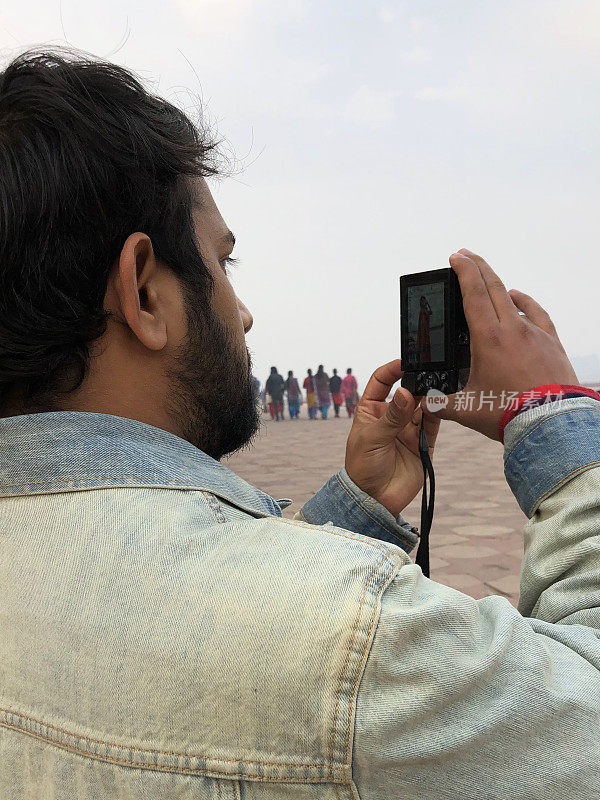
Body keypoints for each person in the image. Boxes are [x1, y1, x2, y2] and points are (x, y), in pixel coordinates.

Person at [1, 51, 599, 800]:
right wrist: (557, 423)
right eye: (224, 263)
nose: (242, 312)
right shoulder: (352, 631)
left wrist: (354, 507)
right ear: (145, 294)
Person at [417, 294, 432, 362]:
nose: (424, 302)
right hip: (424, 336)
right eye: (423, 301)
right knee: (425, 354)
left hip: (426, 334)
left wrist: (427, 304)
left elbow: (431, 312)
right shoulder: (422, 312)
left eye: (424, 301)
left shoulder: (425, 310)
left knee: (427, 354)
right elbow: (422, 327)